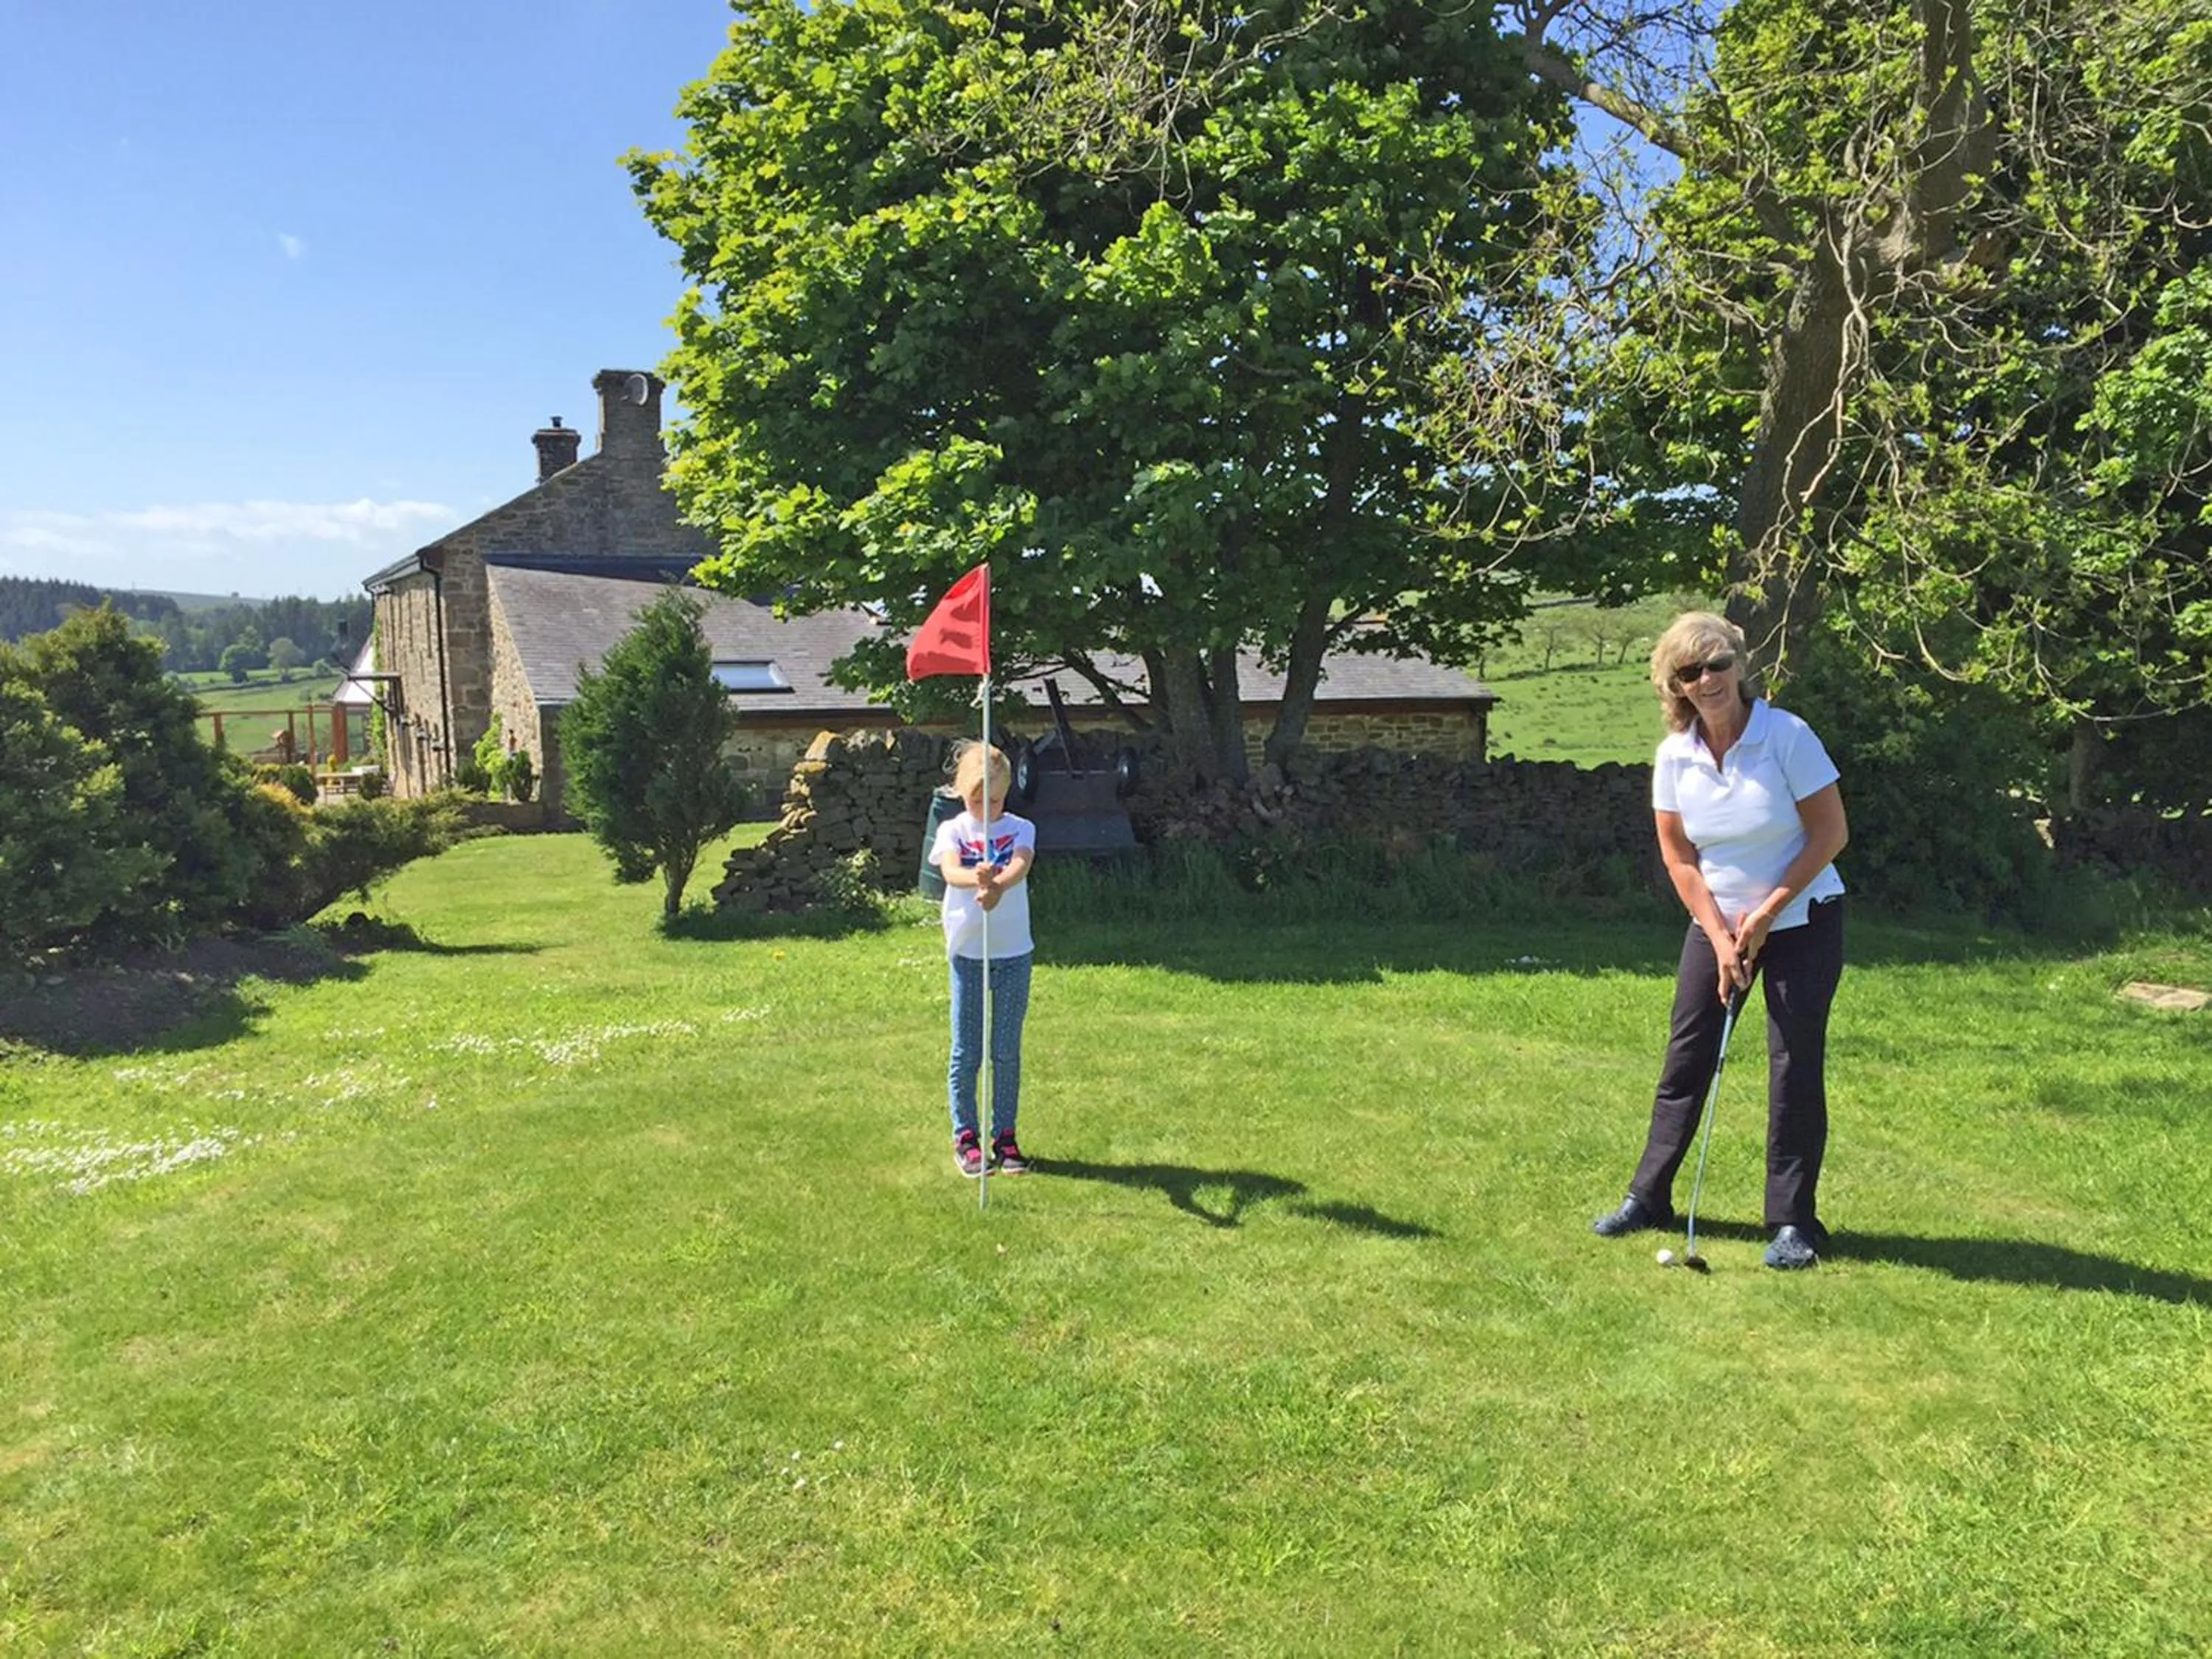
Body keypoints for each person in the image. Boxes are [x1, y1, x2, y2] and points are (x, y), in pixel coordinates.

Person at [1590, 613, 1850, 1270]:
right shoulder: (1675, 756)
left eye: (1716, 665)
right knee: (1687, 1055)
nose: (1706, 680)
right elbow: (1679, 858)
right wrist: (1721, 933)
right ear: (1673, 686)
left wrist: (1767, 912)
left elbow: (1829, 835)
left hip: (1804, 916)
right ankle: (1648, 1197)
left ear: (1739, 666)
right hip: (1717, 923)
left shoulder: (1786, 736)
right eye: (1689, 672)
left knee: (1793, 1065)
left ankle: (1794, 1222)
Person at [931, 741, 1037, 1179]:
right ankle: (966, 1137)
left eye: (994, 799)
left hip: (1013, 952)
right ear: (961, 793)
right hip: (969, 953)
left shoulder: (1023, 828)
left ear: (1007, 792)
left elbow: (1021, 865)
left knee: (1006, 1051)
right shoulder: (953, 830)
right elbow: (950, 871)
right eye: (977, 799)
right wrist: (974, 879)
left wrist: (998, 886)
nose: (986, 808)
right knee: (967, 1051)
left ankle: (1005, 1137)